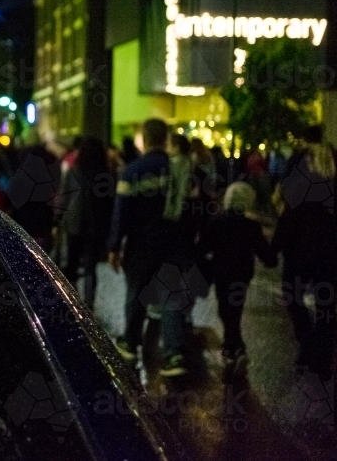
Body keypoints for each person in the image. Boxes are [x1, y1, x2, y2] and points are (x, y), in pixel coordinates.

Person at [108, 118, 189, 378]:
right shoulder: (178, 170)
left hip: (140, 245)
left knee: (136, 294)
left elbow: (121, 213)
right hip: (173, 244)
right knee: (170, 298)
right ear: (165, 138)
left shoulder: (132, 171)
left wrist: (114, 246)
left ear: (144, 138)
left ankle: (130, 343)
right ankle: (174, 354)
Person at [274, 124, 337, 376]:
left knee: (292, 295)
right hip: (329, 244)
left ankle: (307, 346)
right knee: (326, 303)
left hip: (298, 242)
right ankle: (322, 358)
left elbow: (285, 198)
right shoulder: (333, 159)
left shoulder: (298, 160)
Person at [197, 182, 276, 378]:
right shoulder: (251, 225)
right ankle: (234, 347)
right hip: (242, 273)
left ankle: (233, 348)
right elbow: (265, 254)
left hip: (222, 273)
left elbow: (203, 248)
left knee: (226, 309)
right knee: (235, 308)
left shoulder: (216, 221)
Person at [55, 136, 114, 308]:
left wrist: (57, 221)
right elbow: (109, 204)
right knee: (90, 267)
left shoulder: (73, 172)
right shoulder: (106, 176)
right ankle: (88, 304)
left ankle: (71, 301)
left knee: (72, 265)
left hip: (74, 224)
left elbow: (63, 199)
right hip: (96, 226)